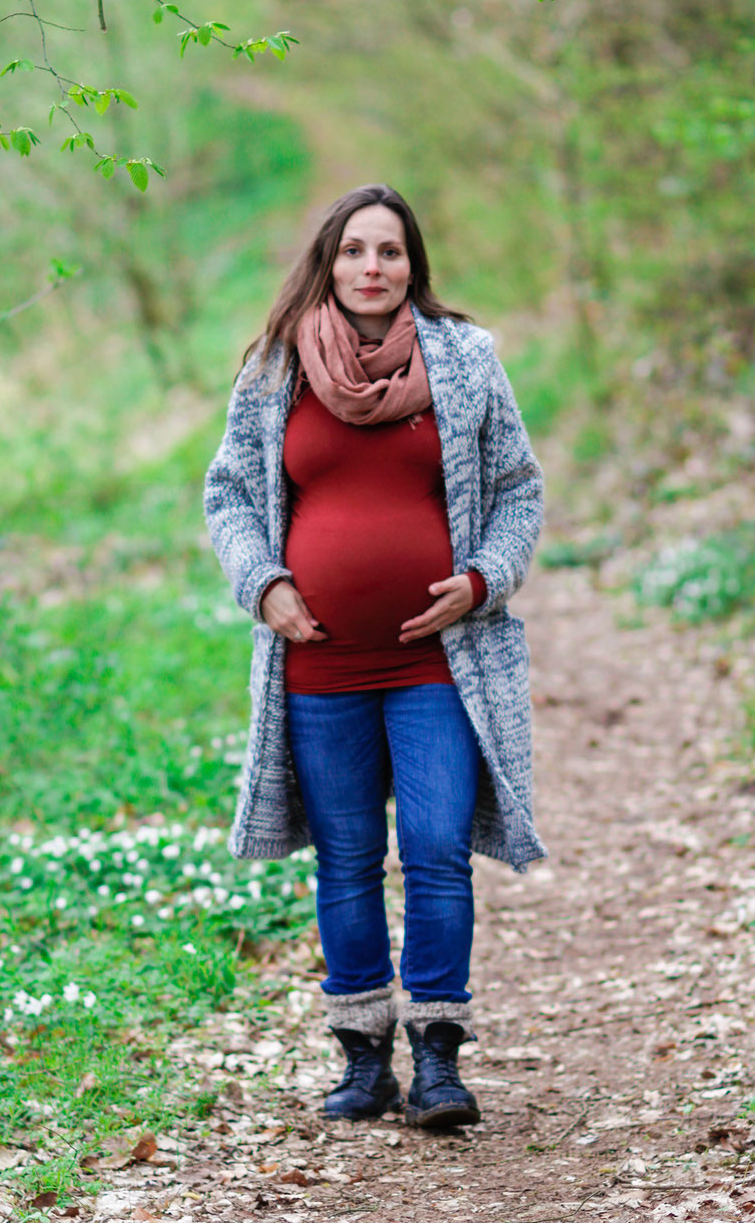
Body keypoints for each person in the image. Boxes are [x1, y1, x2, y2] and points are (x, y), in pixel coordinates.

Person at [204, 183, 545, 1130]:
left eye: (389, 252)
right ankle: (363, 1058)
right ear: (331, 259)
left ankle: (439, 1057)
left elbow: (519, 489)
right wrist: (265, 584)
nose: (371, 267)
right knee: (348, 857)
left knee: (436, 852)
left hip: (440, 661)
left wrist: (482, 579)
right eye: (356, 250)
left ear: (412, 265)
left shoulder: (467, 361)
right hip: (318, 667)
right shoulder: (277, 368)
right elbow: (229, 493)